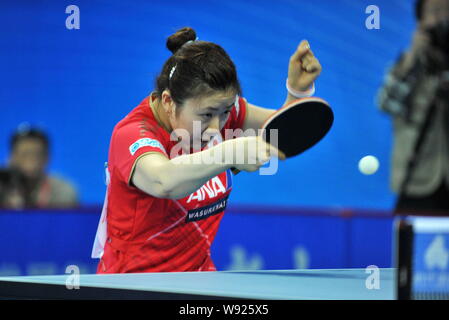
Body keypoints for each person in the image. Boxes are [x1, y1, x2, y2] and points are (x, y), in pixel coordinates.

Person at [93, 27, 322, 273]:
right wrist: (229, 153)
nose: (216, 127)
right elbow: (163, 181)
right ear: (169, 102)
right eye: (206, 115)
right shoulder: (132, 134)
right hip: (132, 286)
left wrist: (296, 93)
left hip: (199, 282)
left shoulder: (223, 112)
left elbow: (280, 136)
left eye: (225, 111)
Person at [378, 0, 449, 215]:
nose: (443, 18)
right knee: (409, 247)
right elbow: (386, 104)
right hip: (416, 185)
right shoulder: (407, 66)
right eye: (435, 12)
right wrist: (413, 57)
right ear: (420, 21)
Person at [0, 127, 78, 209]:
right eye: (24, 154)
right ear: (12, 157)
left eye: (37, 154)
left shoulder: (63, 190)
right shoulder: (2, 185)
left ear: (47, 157)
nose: (31, 160)